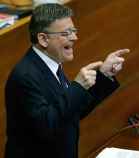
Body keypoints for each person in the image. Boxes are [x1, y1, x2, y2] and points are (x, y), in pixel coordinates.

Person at [4, 3, 129, 158]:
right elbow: (46, 126)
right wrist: (77, 87)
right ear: (43, 39)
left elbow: (72, 111)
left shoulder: (51, 64)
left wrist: (103, 75)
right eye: (66, 33)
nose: (74, 37)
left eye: (74, 31)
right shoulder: (25, 77)